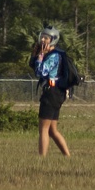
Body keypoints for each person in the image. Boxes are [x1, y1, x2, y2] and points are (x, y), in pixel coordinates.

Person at [30, 25, 71, 157]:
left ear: (53, 40)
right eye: (42, 37)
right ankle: (67, 156)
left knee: (43, 129)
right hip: (55, 92)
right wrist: (35, 55)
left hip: (52, 92)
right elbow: (33, 65)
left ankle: (42, 158)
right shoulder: (52, 54)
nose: (43, 40)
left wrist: (41, 56)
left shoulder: (54, 56)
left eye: (46, 38)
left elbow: (40, 72)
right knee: (52, 130)